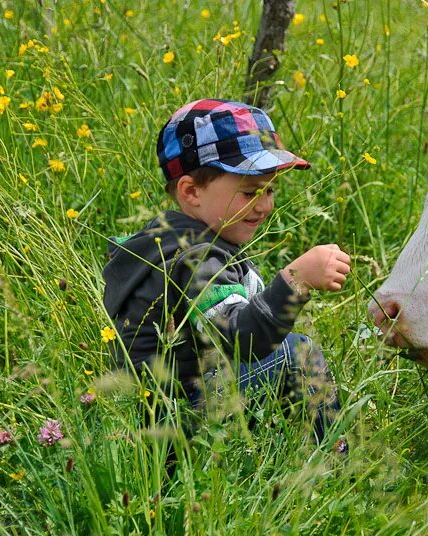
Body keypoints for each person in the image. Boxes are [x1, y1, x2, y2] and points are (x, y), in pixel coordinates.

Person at [102, 98, 350, 448]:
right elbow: (242, 339)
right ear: (191, 191)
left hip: (149, 414)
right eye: (250, 192)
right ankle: (337, 467)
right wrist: (296, 280)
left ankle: (275, 447)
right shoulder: (195, 255)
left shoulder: (175, 240)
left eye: (270, 190)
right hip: (173, 423)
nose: (264, 205)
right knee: (298, 353)